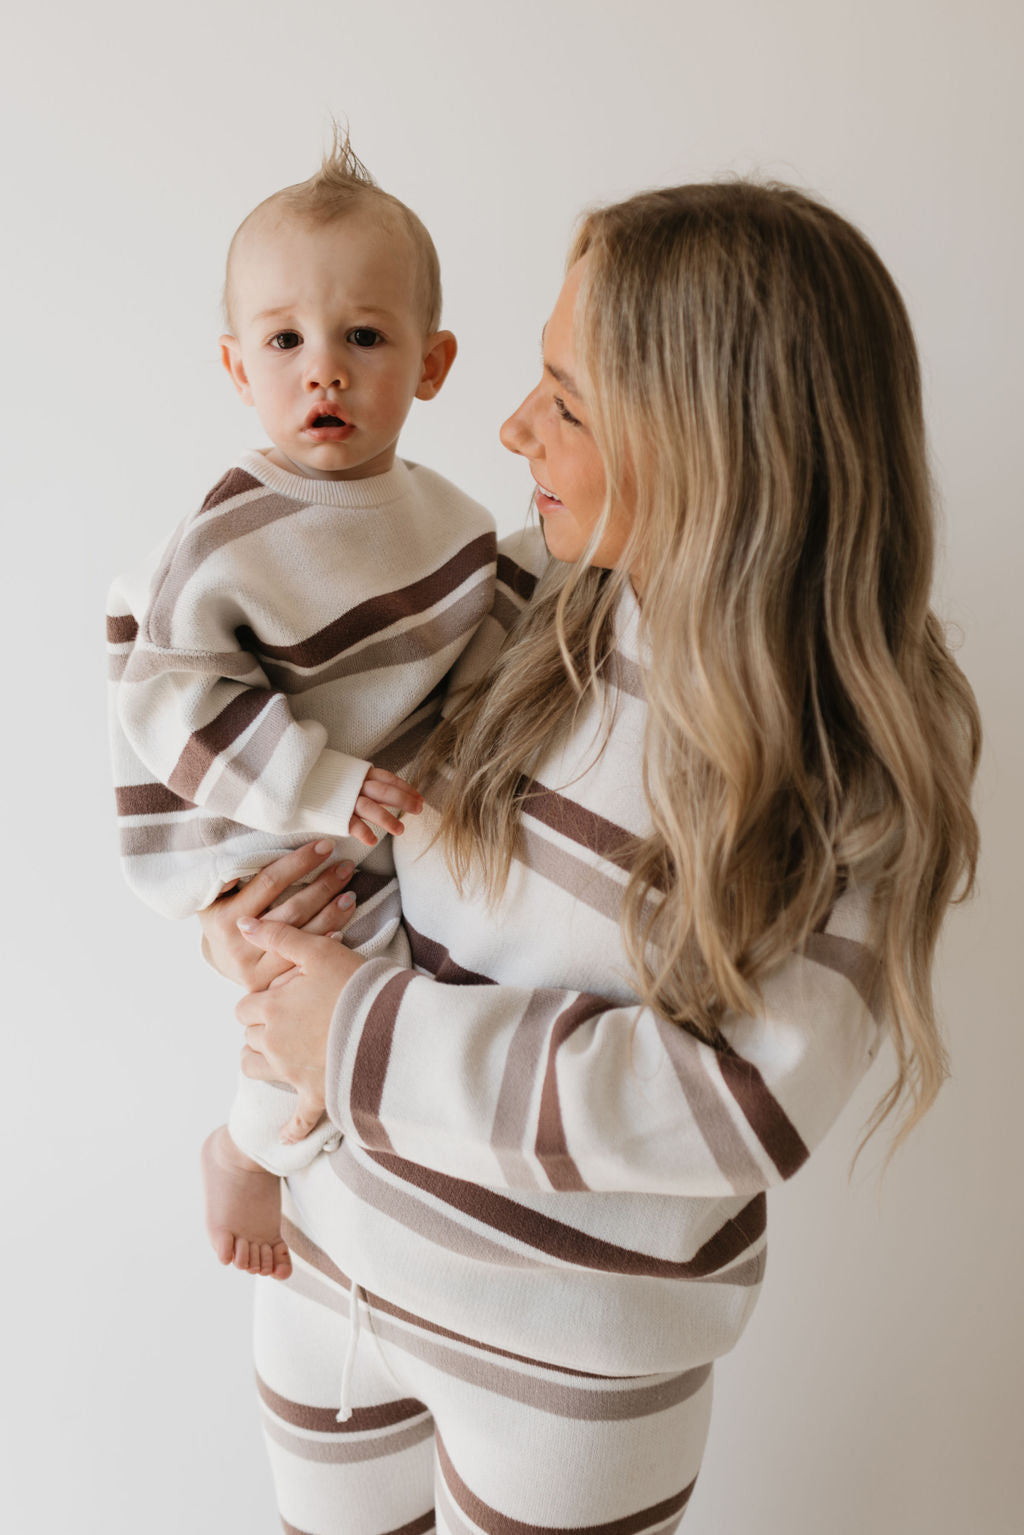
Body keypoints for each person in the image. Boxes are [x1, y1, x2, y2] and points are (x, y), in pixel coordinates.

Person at [199, 182, 981, 1530]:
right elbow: (320, 843)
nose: (511, 427)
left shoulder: (848, 755)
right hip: (331, 1268)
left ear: (711, 437)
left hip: (569, 1368)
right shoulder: (496, 602)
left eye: (565, 394)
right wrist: (247, 986)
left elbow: (740, 1104)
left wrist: (357, 1038)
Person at [106, 132, 496, 1284]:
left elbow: (481, 621)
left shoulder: (447, 519)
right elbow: (169, 694)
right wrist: (321, 787)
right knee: (332, 959)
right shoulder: (232, 532)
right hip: (244, 808)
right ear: (238, 368)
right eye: (286, 341)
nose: (322, 370)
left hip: (363, 800)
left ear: (432, 363)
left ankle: (348, 1133)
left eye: (363, 337)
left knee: (429, 960)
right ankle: (249, 1144)